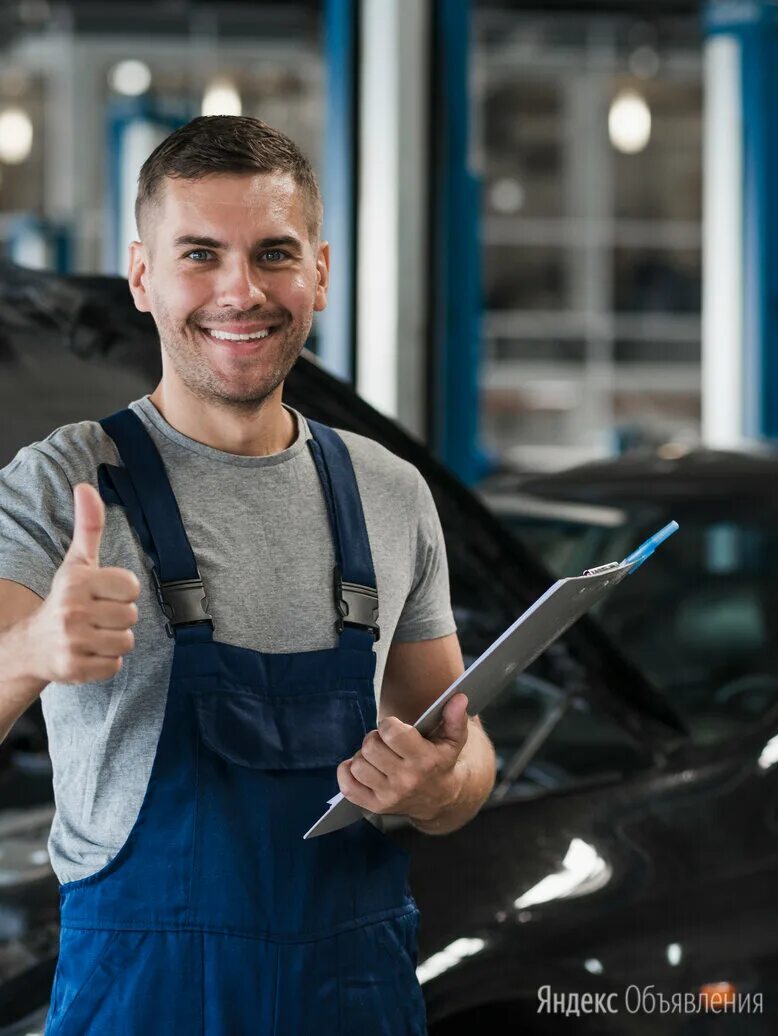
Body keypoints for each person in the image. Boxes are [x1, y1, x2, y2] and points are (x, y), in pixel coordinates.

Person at [0, 115, 496, 1034]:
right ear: (143, 277)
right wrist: (31, 649)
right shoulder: (60, 484)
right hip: (142, 1000)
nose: (242, 291)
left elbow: (461, 743)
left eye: (273, 253)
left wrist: (439, 787)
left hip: (355, 997)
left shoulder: (390, 493)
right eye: (200, 255)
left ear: (319, 272)